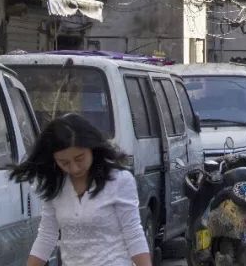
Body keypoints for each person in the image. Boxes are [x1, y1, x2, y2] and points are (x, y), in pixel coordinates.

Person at [10, 113, 151, 266]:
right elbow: (46, 235)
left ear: (91, 148)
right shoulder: (56, 185)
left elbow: (133, 233)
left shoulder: (120, 180)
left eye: (79, 158)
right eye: (64, 162)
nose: (74, 168)